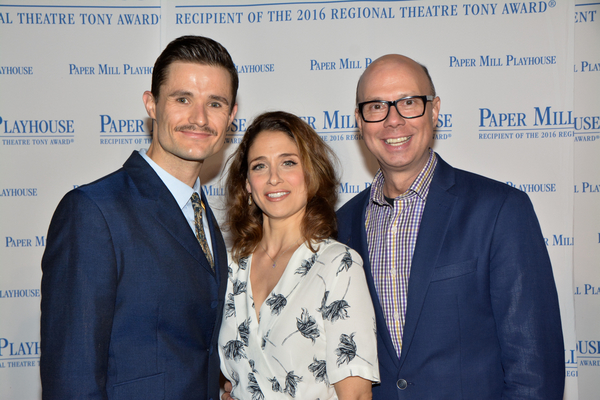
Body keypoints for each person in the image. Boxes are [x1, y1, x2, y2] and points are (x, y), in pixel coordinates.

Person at [336, 54, 565, 399]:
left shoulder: (500, 210)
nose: (392, 120)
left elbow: (533, 368)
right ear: (359, 120)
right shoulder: (342, 224)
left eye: (408, 103)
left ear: (434, 110)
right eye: (376, 106)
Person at [40, 35, 238, 400]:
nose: (199, 118)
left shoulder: (206, 219)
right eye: (182, 99)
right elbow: (72, 379)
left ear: (231, 116)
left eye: (215, 103)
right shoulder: (93, 211)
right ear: (151, 104)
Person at [219, 111, 379, 400]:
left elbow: (355, 396)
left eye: (288, 163)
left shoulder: (338, 265)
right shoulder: (230, 266)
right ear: (247, 184)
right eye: (259, 166)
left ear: (310, 173)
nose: (274, 178)